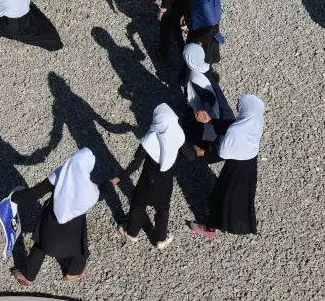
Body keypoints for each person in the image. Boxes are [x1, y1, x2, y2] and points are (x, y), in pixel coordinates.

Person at [10, 148, 98, 287]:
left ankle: (28, 276)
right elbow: (100, 194)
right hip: (74, 233)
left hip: (50, 233)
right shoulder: (88, 186)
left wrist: (13, 198)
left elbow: (33, 194)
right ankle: (73, 272)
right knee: (82, 249)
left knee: (40, 246)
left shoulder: (60, 174)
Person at [110, 104, 192, 249]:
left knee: (138, 204)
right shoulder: (178, 134)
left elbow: (136, 163)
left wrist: (120, 177)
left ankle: (132, 232)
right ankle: (161, 239)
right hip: (166, 182)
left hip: (147, 180)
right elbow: (189, 156)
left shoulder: (149, 138)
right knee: (163, 208)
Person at [189, 94, 265, 239]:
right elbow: (232, 125)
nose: (237, 104)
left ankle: (210, 228)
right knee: (241, 197)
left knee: (221, 196)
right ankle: (241, 222)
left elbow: (222, 153)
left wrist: (203, 154)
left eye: (239, 103)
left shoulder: (237, 130)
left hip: (235, 169)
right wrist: (210, 120)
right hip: (249, 166)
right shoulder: (255, 120)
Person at [180, 43, 235, 148]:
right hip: (224, 108)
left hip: (215, 113)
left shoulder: (196, 76)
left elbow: (210, 98)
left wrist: (202, 110)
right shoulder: (205, 66)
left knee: (218, 133)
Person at [188, 0, 223, 64]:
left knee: (200, 60)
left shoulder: (205, 4)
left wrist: (200, 40)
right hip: (207, 36)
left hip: (202, 37)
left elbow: (213, 28)